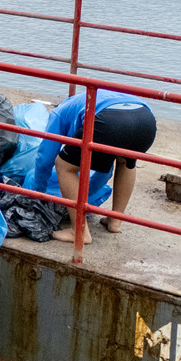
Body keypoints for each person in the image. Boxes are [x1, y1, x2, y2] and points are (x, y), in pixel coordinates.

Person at [28, 92, 158, 246]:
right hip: (146, 120)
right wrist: (87, 195)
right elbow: (104, 170)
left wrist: (38, 196)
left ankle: (80, 232)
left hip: (109, 121)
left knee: (64, 166)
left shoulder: (58, 114)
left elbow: (44, 158)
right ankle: (115, 221)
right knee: (126, 161)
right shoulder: (84, 102)